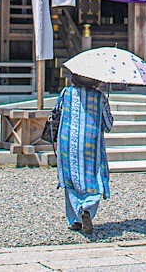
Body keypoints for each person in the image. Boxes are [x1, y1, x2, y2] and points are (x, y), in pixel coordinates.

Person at [56, 73, 114, 234]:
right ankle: (87, 208)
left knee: (71, 178)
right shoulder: (100, 97)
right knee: (93, 177)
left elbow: (56, 112)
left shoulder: (66, 93)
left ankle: (74, 219)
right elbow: (108, 124)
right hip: (91, 141)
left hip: (67, 141)